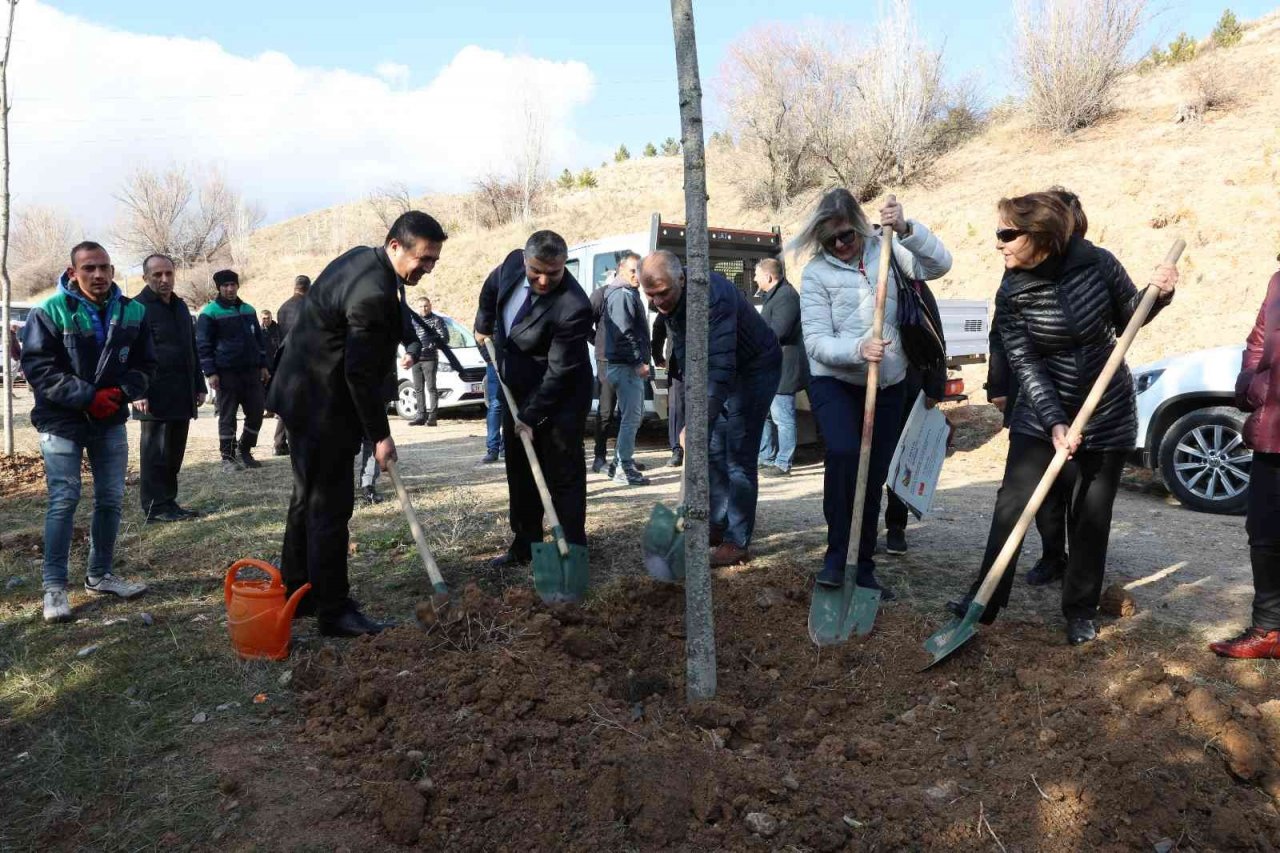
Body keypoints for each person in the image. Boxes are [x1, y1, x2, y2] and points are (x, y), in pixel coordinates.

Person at [945, 191, 1177, 646]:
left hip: (1106, 408)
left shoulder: (1098, 264)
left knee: (1091, 514)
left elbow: (1129, 316)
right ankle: (985, 600)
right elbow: (1024, 361)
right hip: (1040, 408)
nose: (999, 244)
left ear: (1042, 236)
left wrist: (1160, 296)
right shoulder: (1012, 290)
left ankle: (1080, 609)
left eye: (1007, 234)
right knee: (1012, 505)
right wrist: (1054, 421)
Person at [267, 210, 448, 636]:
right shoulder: (372, 290)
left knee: (307, 498)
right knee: (329, 507)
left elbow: (393, 313)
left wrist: (408, 335)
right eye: (423, 259)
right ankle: (333, 609)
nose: (427, 268)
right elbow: (359, 374)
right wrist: (379, 436)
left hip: (302, 395)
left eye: (434, 261)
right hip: (321, 405)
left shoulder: (366, 261)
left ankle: (300, 590)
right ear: (395, 246)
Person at [797, 190, 953, 599]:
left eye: (846, 236)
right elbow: (814, 340)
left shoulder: (887, 247)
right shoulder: (816, 274)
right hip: (835, 380)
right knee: (847, 456)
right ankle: (835, 557)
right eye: (830, 240)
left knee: (873, 474)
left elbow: (939, 264)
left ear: (859, 225)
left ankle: (862, 567)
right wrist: (857, 349)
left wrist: (907, 229)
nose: (840, 246)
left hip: (888, 383)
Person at [20, 241, 156, 622]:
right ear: (72, 272)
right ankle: (54, 587)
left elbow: (148, 363)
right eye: (89, 268)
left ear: (112, 271)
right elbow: (38, 369)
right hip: (61, 420)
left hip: (110, 417)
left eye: (104, 268)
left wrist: (123, 391)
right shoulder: (48, 312)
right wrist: (86, 397)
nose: (97, 275)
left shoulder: (134, 311)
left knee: (111, 498)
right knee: (64, 498)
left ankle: (100, 574)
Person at [640, 251, 781, 567]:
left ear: (681, 278)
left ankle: (737, 540)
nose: (658, 302)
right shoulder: (667, 296)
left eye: (663, 294)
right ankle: (716, 525)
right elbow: (691, 358)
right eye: (651, 296)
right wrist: (694, 415)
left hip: (754, 368)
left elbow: (719, 366)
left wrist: (697, 422)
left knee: (738, 455)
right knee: (715, 451)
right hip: (724, 370)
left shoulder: (712, 297)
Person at [977, 188, 1087, 577]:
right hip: (1031, 394)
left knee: (1075, 487)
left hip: (1080, 401)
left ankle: (1078, 570)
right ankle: (1052, 555)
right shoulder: (1016, 273)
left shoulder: (1090, 268)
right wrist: (999, 386)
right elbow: (1000, 335)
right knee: (1032, 489)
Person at [474, 230, 593, 568]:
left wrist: (532, 417)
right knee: (520, 468)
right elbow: (490, 290)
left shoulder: (574, 306)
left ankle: (571, 549)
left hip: (561, 397)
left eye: (553, 273)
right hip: (517, 387)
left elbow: (559, 374)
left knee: (562, 473)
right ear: (525, 261)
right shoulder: (511, 264)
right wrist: (483, 324)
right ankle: (524, 543)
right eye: (536, 271)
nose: (543, 280)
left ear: (563, 265)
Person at [1210, 258, 1280, 659]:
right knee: (1265, 532)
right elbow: (1257, 341)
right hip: (1274, 429)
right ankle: (1269, 631)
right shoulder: (1277, 281)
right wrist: (1254, 384)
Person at [133, 254, 207, 522]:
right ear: (146, 277)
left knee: (173, 453)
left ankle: (169, 502)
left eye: (169, 274)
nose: (164, 280)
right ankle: (155, 508)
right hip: (153, 396)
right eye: (157, 275)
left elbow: (191, 349)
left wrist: (199, 385)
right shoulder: (137, 308)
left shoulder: (180, 307)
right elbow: (130, 353)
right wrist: (138, 391)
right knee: (156, 455)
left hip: (181, 393)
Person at [882, 273, 946, 556]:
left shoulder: (914, 285)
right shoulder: (859, 280)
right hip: (867, 387)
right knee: (871, 463)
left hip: (908, 386)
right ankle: (860, 529)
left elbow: (934, 335)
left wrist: (935, 384)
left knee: (901, 458)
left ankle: (896, 527)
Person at [197, 269, 268, 473]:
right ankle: (227, 458)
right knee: (227, 416)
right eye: (225, 285)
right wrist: (210, 372)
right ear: (219, 288)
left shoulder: (248, 310)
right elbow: (203, 345)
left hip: (252, 372)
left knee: (256, 412)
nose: (229, 289)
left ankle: (245, 450)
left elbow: (259, 342)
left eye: (233, 285)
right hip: (226, 374)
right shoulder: (209, 312)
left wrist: (263, 365)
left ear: (238, 286)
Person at [602, 251, 651, 485]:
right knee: (632, 418)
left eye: (639, 271)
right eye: (633, 271)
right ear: (621, 269)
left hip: (624, 365)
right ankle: (623, 467)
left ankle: (617, 465)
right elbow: (625, 334)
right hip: (626, 366)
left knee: (631, 418)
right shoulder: (621, 295)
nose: (637, 276)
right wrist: (638, 362)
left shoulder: (626, 293)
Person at [755, 257, 807, 477]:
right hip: (769, 368)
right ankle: (766, 457)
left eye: (757, 274)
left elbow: (780, 331)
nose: (755, 278)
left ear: (768, 276)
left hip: (783, 368)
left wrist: (753, 338)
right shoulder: (774, 295)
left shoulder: (786, 296)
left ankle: (783, 462)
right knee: (764, 415)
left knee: (782, 418)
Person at [588, 253, 630, 473]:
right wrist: (597, 341)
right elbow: (584, 322)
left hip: (628, 363)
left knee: (627, 413)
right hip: (606, 362)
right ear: (619, 270)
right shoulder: (600, 295)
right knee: (605, 413)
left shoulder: (630, 295)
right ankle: (599, 458)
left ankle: (623, 458)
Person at [272, 275, 310, 456]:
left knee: (288, 403)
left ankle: (280, 442)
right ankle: (293, 441)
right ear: (308, 288)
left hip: (285, 360)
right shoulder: (310, 305)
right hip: (305, 360)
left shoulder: (282, 308)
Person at [406, 295, 448, 426]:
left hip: (430, 358)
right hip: (416, 358)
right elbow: (408, 337)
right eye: (420, 306)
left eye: (426, 306)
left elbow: (445, 338)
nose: (423, 308)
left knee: (431, 387)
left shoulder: (437, 320)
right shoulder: (413, 320)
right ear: (417, 308)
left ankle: (433, 416)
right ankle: (420, 415)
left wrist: (432, 345)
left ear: (430, 306)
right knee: (418, 388)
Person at [652, 311, 684, 467]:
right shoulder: (673, 299)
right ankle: (677, 449)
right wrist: (657, 355)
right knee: (676, 408)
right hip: (677, 364)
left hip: (704, 362)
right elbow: (658, 327)